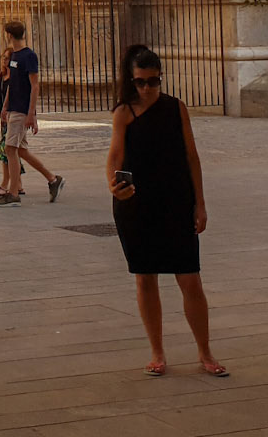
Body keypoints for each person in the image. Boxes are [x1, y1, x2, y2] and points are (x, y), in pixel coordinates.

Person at [106, 45, 226, 378]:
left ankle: (205, 352)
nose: (147, 88)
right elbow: (115, 156)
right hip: (137, 204)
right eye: (140, 82)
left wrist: (200, 203)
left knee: (190, 277)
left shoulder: (176, 108)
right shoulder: (124, 113)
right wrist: (113, 185)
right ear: (131, 81)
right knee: (145, 278)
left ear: (161, 78)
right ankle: (157, 353)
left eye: (153, 81)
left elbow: (191, 156)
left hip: (176, 200)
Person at [0, 20, 65, 205]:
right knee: (21, 151)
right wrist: (5, 106)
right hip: (13, 108)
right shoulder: (14, 56)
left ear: (9, 35)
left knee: (10, 149)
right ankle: (53, 179)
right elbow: (13, 85)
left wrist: (31, 114)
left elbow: (35, 86)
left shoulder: (29, 56)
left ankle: (14, 193)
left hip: (22, 109)